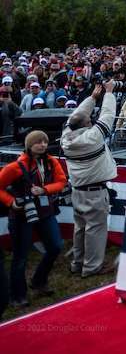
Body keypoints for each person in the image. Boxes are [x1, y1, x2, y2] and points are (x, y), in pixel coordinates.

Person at [0, 130, 68, 307]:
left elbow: (62, 182)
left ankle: (38, 281)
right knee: (20, 257)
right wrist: (11, 202)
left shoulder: (52, 161)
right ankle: (17, 296)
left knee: (55, 246)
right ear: (29, 145)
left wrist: (45, 190)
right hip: (22, 216)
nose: (43, 144)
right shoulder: (15, 166)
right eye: (38, 142)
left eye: (45, 141)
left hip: (45, 212)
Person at [60, 80, 119, 277]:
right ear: (86, 125)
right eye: (88, 120)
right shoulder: (92, 137)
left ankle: (78, 263)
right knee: (95, 229)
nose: (91, 120)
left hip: (78, 190)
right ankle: (92, 267)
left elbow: (74, 116)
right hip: (94, 192)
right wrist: (108, 93)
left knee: (81, 228)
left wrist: (93, 98)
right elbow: (108, 115)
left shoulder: (66, 136)